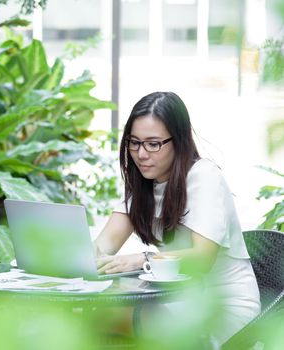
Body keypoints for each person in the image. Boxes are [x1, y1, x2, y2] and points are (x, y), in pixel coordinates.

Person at [93, 91, 261, 345]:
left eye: (153, 143)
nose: (141, 154)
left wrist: (142, 260)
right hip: (175, 302)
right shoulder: (144, 184)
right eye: (134, 142)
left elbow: (202, 257)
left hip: (222, 307)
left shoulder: (204, 177)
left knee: (106, 320)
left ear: (178, 141)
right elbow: (101, 248)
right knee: (92, 317)